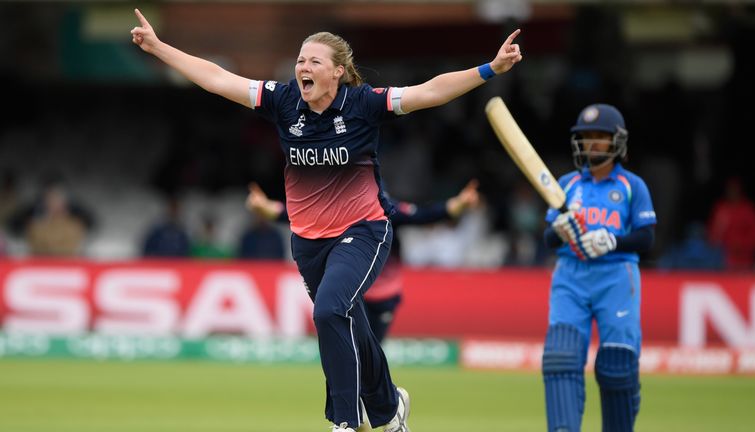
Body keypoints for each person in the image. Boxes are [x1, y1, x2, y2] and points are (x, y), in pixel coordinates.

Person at [131, 9, 522, 432]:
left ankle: (344, 422)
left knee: (329, 311)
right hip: (308, 241)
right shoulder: (283, 102)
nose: (303, 67)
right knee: (349, 320)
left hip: (364, 231)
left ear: (338, 72)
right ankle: (390, 409)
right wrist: (159, 47)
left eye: (314, 61)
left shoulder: (364, 103)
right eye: (300, 60)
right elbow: (216, 78)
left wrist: (490, 68)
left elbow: (430, 92)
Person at [541, 104, 656, 432]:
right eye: (586, 136)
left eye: (600, 137)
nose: (591, 143)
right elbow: (549, 238)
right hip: (570, 275)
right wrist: (560, 230)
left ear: (617, 141)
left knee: (617, 367)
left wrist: (613, 242)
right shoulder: (566, 184)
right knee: (560, 359)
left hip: (616, 276)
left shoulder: (633, 185)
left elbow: (647, 238)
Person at [246, 180, 480, 341]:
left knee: (371, 351)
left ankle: (372, 403)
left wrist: (460, 204)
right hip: (353, 295)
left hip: (384, 296)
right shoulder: (340, 210)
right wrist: (265, 207)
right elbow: (295, 213)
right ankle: (357, 405)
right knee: (352, 350)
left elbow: (425, 214)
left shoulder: (387, 209)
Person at [706, 176, 755, 271]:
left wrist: (742, 245)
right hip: (721, 261)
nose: (732, 192)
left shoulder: (748, 210)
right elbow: (712, 234)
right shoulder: (721, 209)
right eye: (730, 189)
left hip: (745, 261)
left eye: (734, 189)